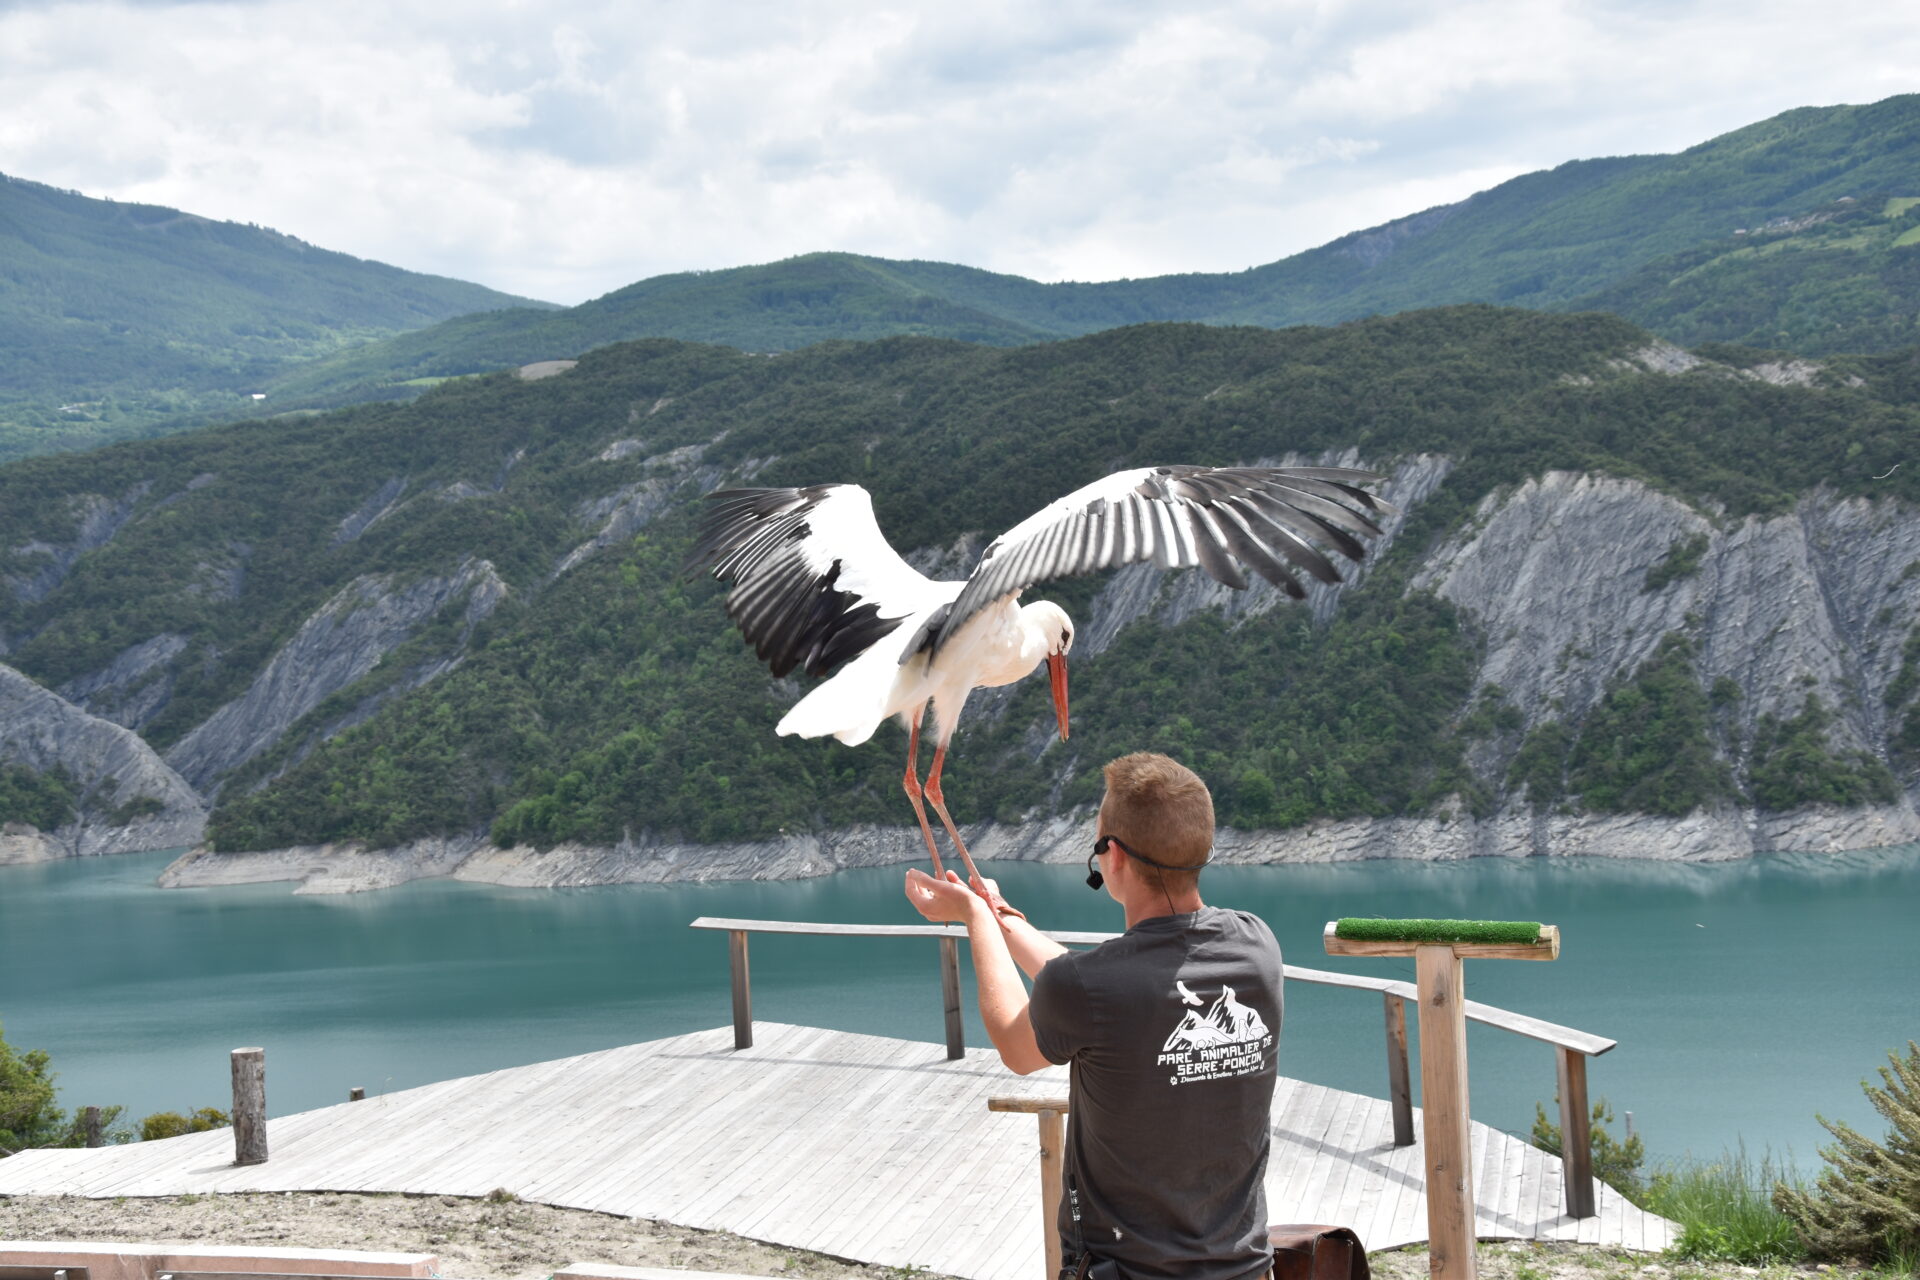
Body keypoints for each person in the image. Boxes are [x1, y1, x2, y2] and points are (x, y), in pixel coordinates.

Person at [904, 752, 1282, 1280]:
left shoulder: (1092, 986)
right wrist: (999, 913)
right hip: (1244, 1268)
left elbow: (1018, 1045)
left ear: (1114, 858)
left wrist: (972, 917)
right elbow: (1093, 985)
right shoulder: (1257, 945)